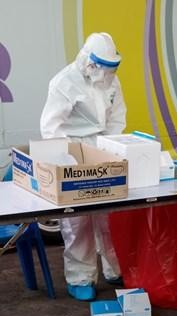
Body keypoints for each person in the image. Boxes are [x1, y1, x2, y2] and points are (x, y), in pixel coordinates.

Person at [40, 32, 126, 301]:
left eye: (112, 68)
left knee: (110, 218)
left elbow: (117, 117)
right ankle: (80, 277)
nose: (107, 73)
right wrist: (70, 163)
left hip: (102, 150)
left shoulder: (111, 80)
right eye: (103, 67)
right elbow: (51, 129)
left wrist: (111, 148)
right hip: (71, 153)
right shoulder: (64, 82)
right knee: (78, 223)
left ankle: (116, 269)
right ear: (89, 62)